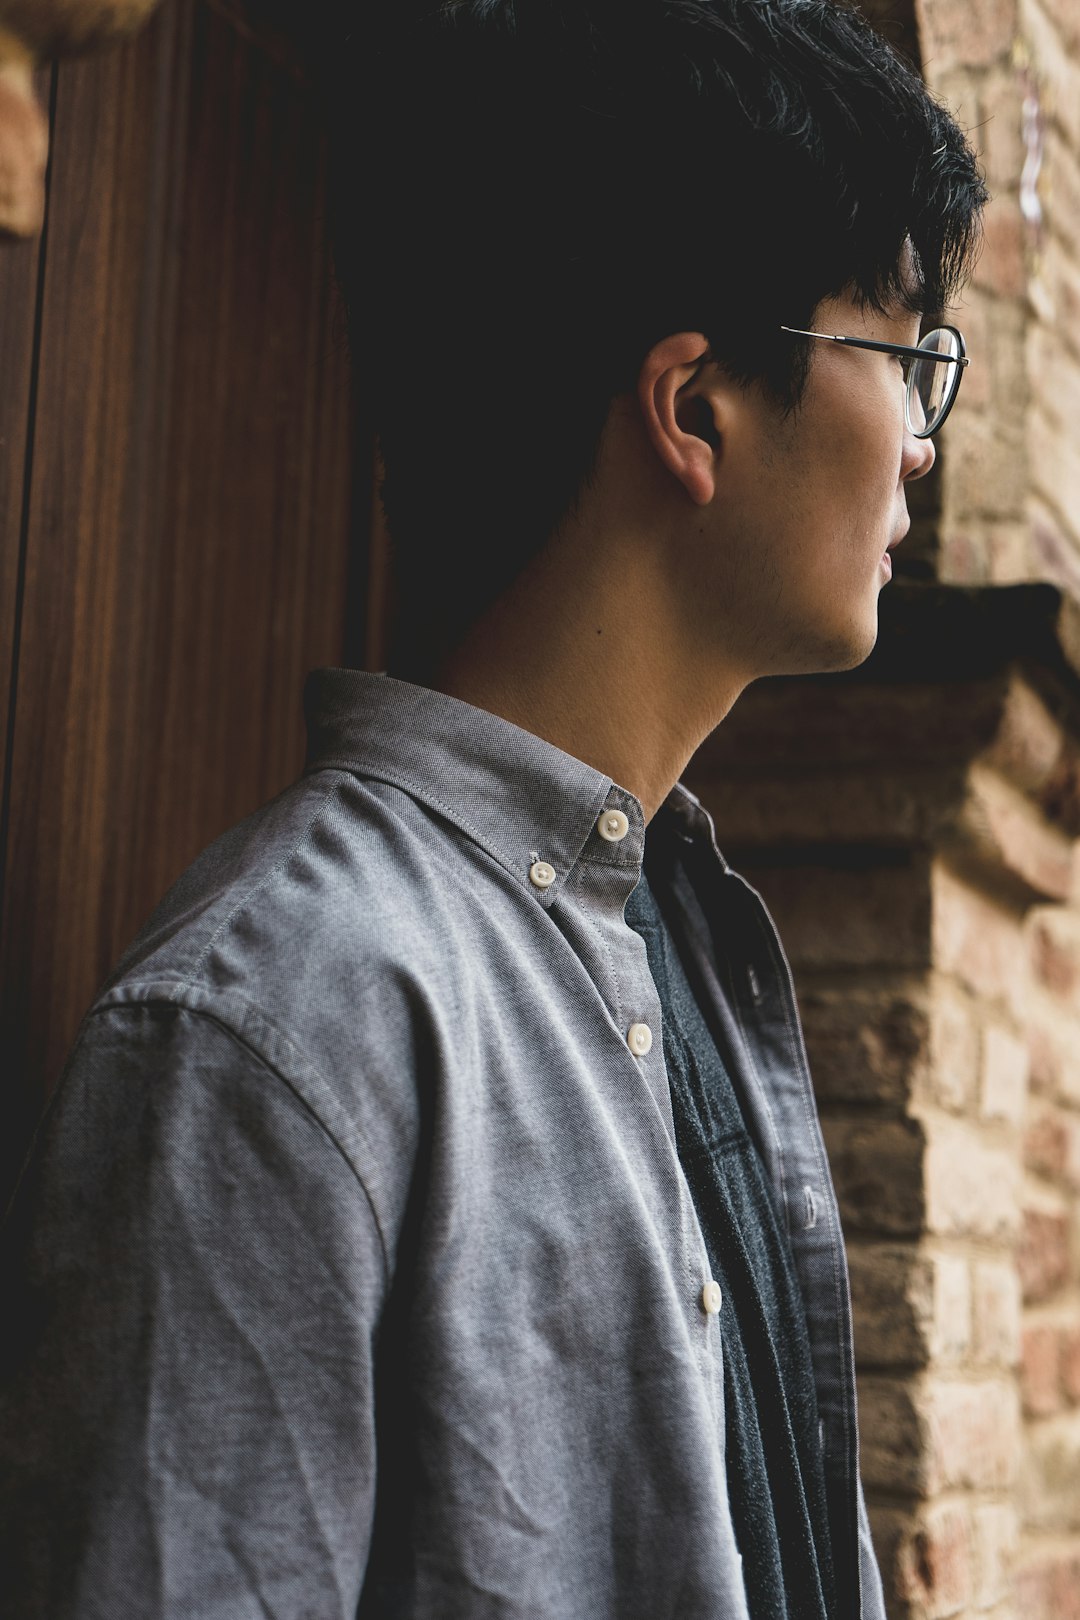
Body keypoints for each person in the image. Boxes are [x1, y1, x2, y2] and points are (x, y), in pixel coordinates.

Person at [0, 2, 986, 1615]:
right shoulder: (284, 1023)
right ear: (693, 410)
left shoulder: (684, 944)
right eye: (903, 353)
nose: (925, 446)